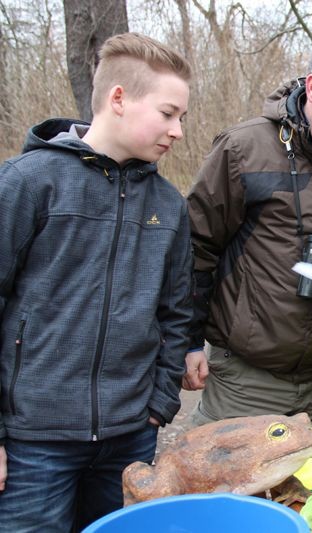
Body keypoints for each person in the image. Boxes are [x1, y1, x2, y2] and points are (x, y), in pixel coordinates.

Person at [0, 33, 193, 530]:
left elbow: (176, 314)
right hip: (32, 443)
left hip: (129, 438)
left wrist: (159, 404)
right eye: (168, 113)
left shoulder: (169, 205)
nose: (177, 131)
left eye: (182, 118)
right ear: (119, 99)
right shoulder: (27, 183)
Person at [182, 32, 312, 458]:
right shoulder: (244, 148)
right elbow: (196, 246)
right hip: (246, 379)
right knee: (232, 513)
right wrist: (186, 340)